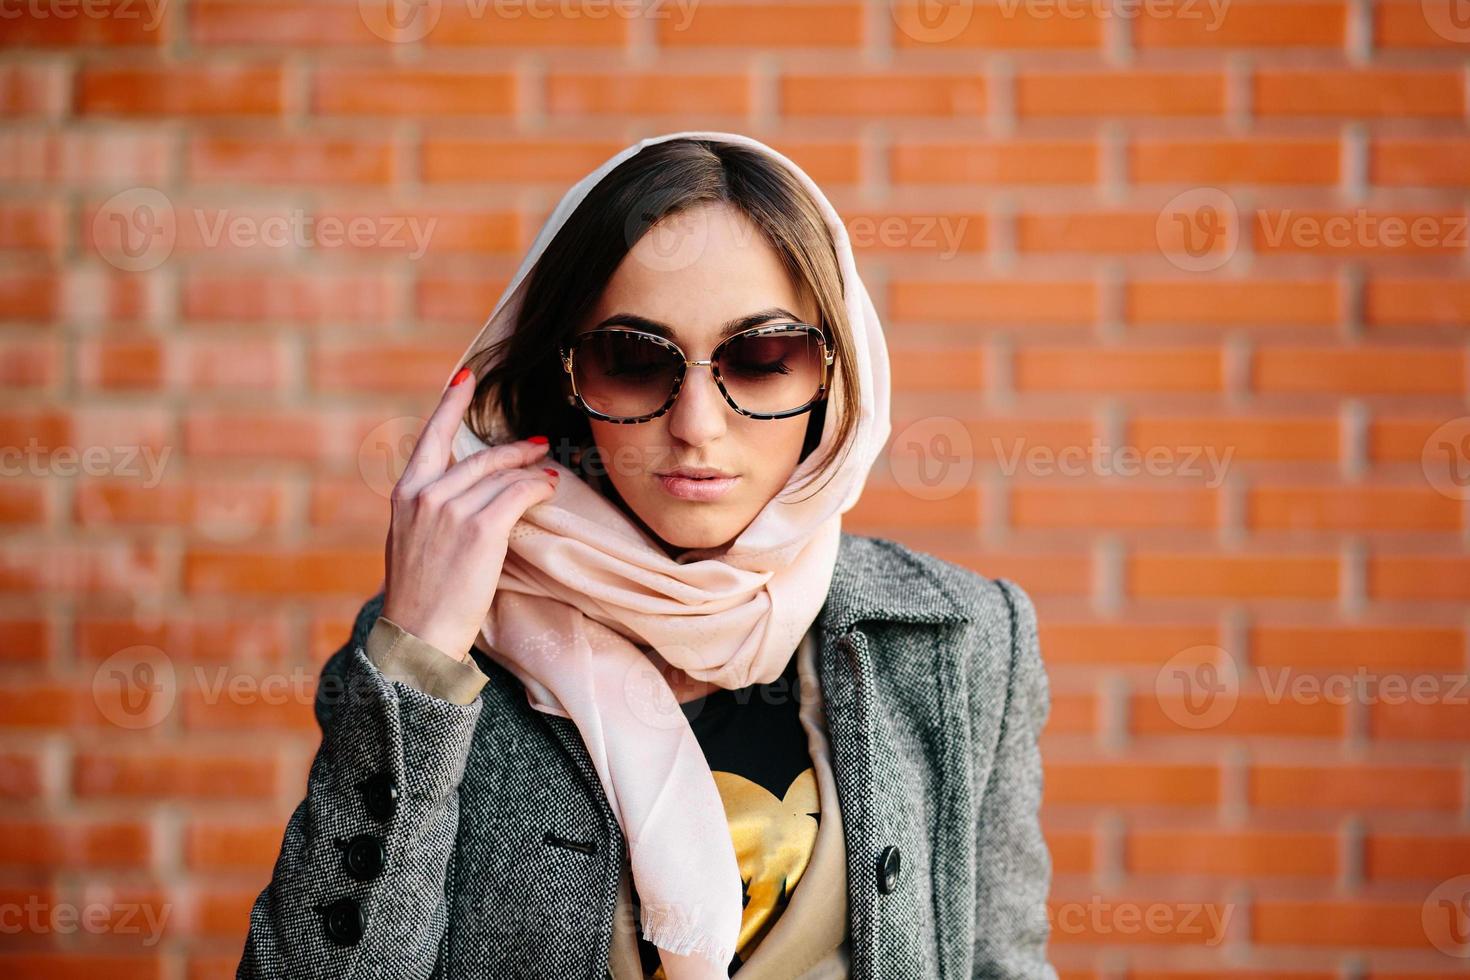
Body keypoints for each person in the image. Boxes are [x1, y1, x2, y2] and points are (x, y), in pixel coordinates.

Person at [237, 131, 1056, 980]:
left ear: (834, 378)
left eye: (763, 357)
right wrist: (417, 658)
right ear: (564, 378)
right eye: (632, 359)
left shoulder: (960, 641)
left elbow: (1006, 964)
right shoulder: (441, 648)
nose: (697, 425)